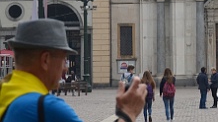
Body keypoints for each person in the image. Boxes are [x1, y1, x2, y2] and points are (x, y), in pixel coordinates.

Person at [0, 19, 146, 121]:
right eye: (63, 59)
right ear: (45, 60)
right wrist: (128, 113)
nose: (65, 67)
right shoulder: (46, 107)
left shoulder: (6, 94)